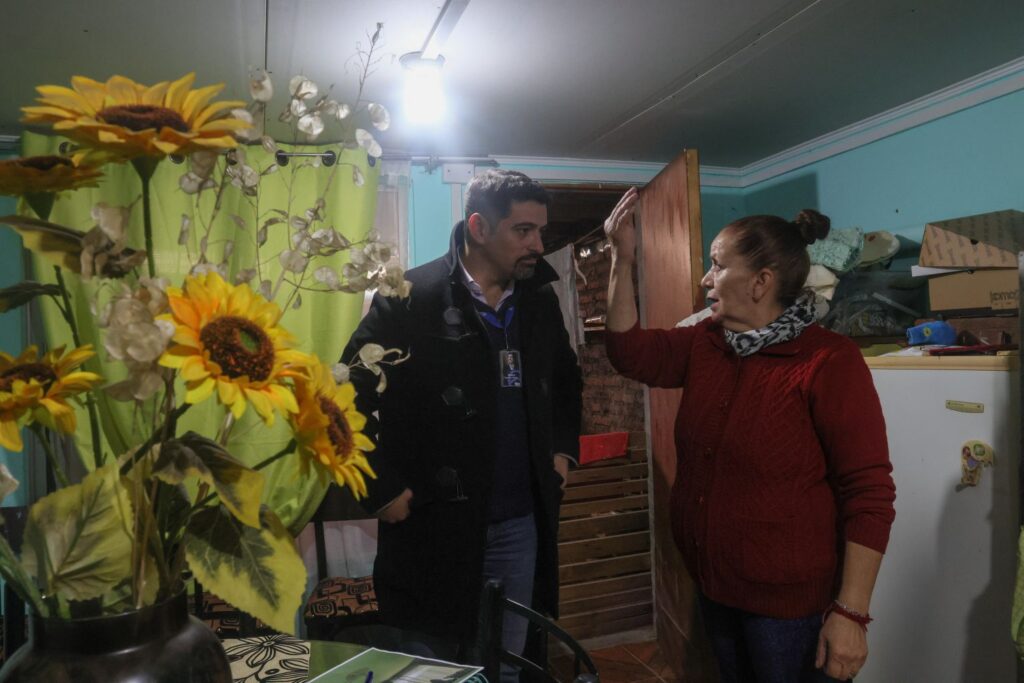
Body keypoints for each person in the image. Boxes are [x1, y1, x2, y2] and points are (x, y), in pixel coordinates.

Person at [602, 187, 895, 683]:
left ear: (761, 282)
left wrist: (851, 614)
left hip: (788, 610)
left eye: (717, 265)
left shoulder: (827, 361)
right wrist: (622, 257)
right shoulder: (706, 342)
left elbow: (870, 494)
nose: (705, 278)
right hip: (715, 587)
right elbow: (627, 352)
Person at [342, 169, 582, 678]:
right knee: (435, 666)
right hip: (432, 524)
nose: (539, 245)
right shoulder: (410, 295)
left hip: (521, 522)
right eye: (524, 231)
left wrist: (561, 452)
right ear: (478, 226)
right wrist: (379, 487)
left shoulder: (538, 300)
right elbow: (345, 391)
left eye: (541, 231)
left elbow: (565, 382)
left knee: (509, 663)